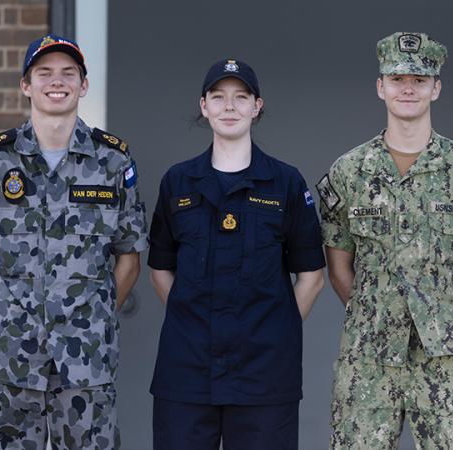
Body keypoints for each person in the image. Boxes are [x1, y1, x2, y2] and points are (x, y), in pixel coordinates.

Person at [0, 35, 148, 449]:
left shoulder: (113, 162)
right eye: (44, 73)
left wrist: (93, 314)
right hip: (11, 357)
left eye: (68, 73)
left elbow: (129, 259)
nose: (56, 81)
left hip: (86, 359)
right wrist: (17, 311)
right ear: (26, 85)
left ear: (84, 85)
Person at [318, 32, 453, 449]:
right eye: (397, 78)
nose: (407, 88)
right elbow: (338, 268)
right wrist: (378, 314)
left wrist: (437, 314)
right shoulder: (349, 171)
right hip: (369, 351)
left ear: (435, 88)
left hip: (444, 353)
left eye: (419, 80)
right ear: (380, 87)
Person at [147, 58, 325, 450]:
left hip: (265, 374)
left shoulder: (285, 182)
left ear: (257, 106)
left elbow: (312, 276)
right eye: (218, 97)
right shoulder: (178, 182)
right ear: (204, 105)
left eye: (241, 97)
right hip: (187, 371)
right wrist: (192, 321)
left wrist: (276, 330)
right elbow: (159, 268)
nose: (229, 106)